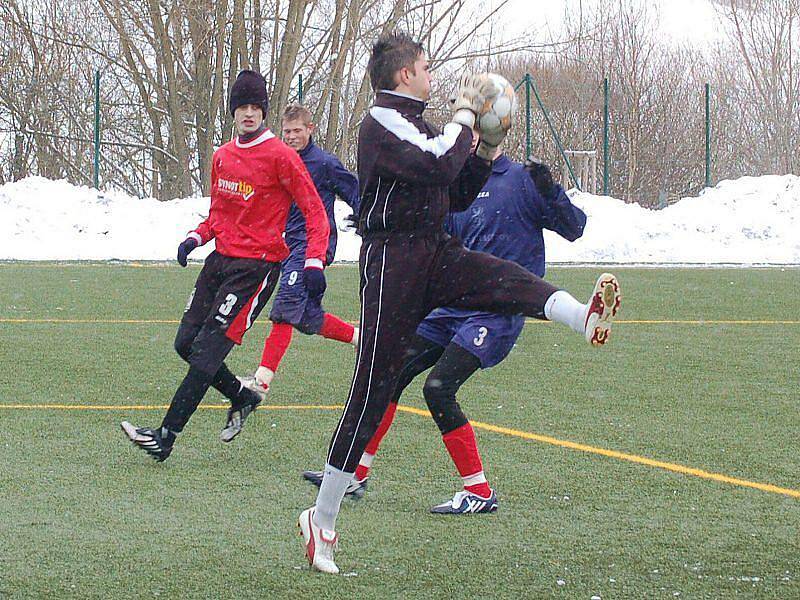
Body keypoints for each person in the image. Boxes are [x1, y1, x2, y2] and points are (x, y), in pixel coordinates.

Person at [298, 32, 621, 574]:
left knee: (505, 278)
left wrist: (487, 149)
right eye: (425, 67)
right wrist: (468, 117)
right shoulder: (383, 121)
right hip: (392, 266)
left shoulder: (423, 127)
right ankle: (322, 514)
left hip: (434, 250)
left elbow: (457, 190)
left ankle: (580, 317)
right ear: (404, 75)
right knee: (373, 391)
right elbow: (438, 165)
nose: (433, 76)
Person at [302, 149, 590, 514]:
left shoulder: (521, 179)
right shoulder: (457, 187)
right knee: (390, 373)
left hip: (496, 312)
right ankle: (357, 474)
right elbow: (435, 244)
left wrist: (550, 190)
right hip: (452, 307)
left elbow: (575, 227)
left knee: (438, 389)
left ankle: (480, 492)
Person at [120, 70, 330, 459]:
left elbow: (316, 212)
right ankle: (241, 396)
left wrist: (314, 261)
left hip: (257, 269)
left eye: (255, 107)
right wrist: (196, 237)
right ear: (233, 111)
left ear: (263, 112)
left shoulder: (281, 156)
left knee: (206, 353)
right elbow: (218, 215)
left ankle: (165, 436)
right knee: (185, 343)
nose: (249, 113)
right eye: (242, 107)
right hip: (220, 263)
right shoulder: (223, 156)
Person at [239, 104, 360, 401]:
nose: (291, 136)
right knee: (306, 317)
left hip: (313, 246)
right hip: (289, 245)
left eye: (297, 131)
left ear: (310, 129)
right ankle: (362, 338)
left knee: (284, 308)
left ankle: (261, 382)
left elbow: (356, 192)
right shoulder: (279, 159)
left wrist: (368, 221)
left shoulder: (324, 163)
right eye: (287, 131)